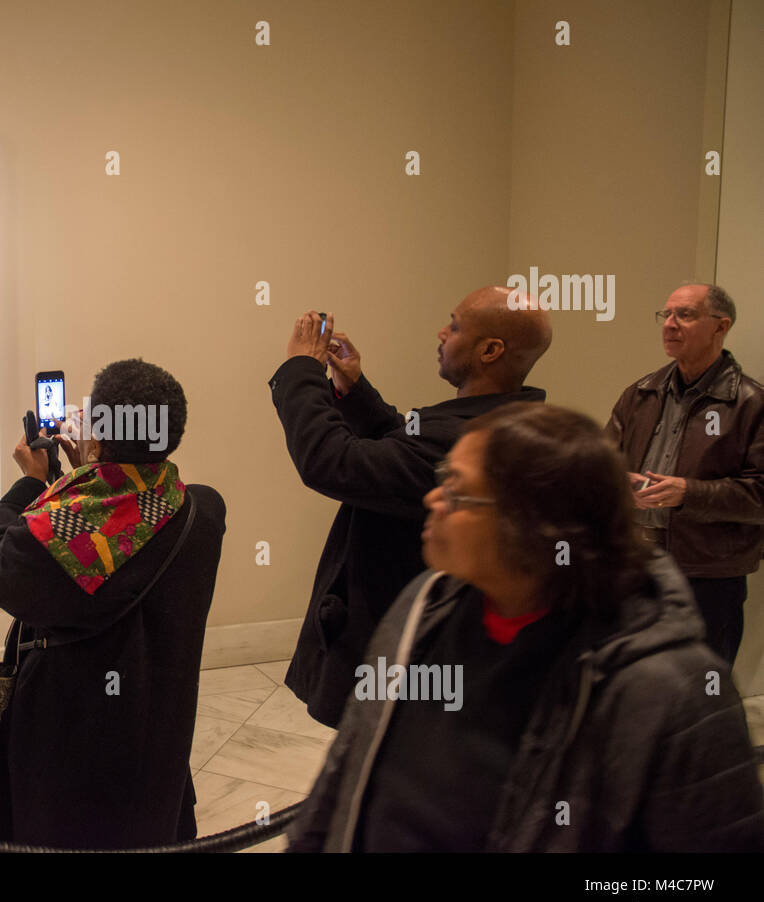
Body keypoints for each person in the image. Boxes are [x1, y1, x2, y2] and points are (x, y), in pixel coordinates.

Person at [287, 403, 764, 852]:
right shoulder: (423, 606)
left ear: (532, 524)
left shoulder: (673, 690)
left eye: (456, 489)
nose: (433, 499)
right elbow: (347, 769)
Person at [269, 287, 552, 726]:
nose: (442, 332)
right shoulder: (500, 419)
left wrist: (299, 370)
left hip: (404, 648)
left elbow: (331, 463)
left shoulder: (471, 437)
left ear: (491, 350)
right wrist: (354, 388)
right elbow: (404, 446)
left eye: (455, 325)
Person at [0, 359, 226, 848]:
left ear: (103, 436)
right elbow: (133, 518)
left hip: (65, 754)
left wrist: (32, 483)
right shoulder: (204, 510)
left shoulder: (51, 535)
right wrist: (91, 473)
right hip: (156, 747)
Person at [605, 283, 764, 666]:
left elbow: (760, 495)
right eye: (667, 315)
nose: (670, 325)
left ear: (720, 326)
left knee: (703, 686)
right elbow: (600, 463)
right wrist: (614, 484)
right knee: (635, 679)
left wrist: (687, 493)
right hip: (636, 562)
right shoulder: (640, 393)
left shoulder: (752, 404)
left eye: (686, 315)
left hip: (708, 575)